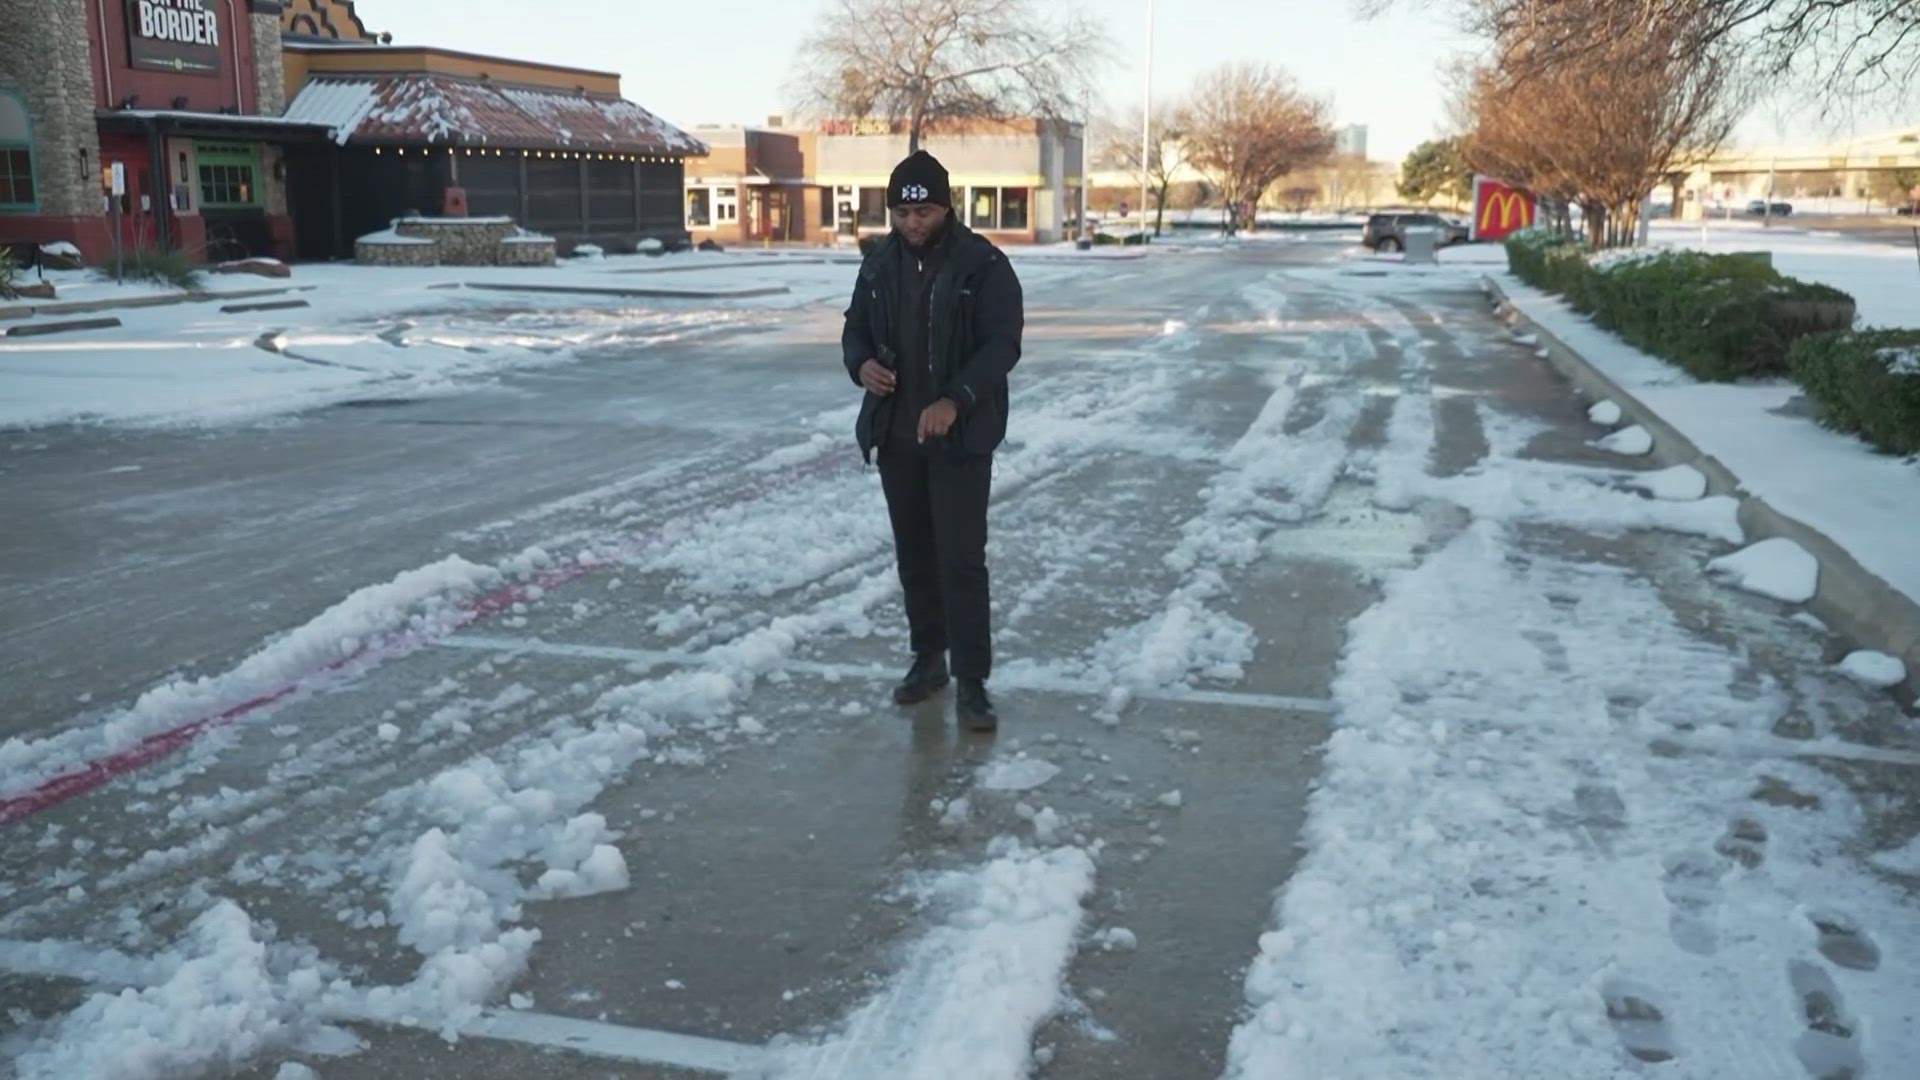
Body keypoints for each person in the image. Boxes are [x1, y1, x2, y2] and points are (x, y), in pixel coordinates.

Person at [840, 150, 1023, 732]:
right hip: (897, 435)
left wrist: (956, 400)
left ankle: (972, 681)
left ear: (946, 207)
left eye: (924, 211)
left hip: (960, 440)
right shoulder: (878, 265)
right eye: (902, 212)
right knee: (915, 559)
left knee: (961, 562)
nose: (913, 223)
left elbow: (1002, 346)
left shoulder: (982, 265)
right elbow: (855, 329)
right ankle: (929, 661)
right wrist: (861, 364)